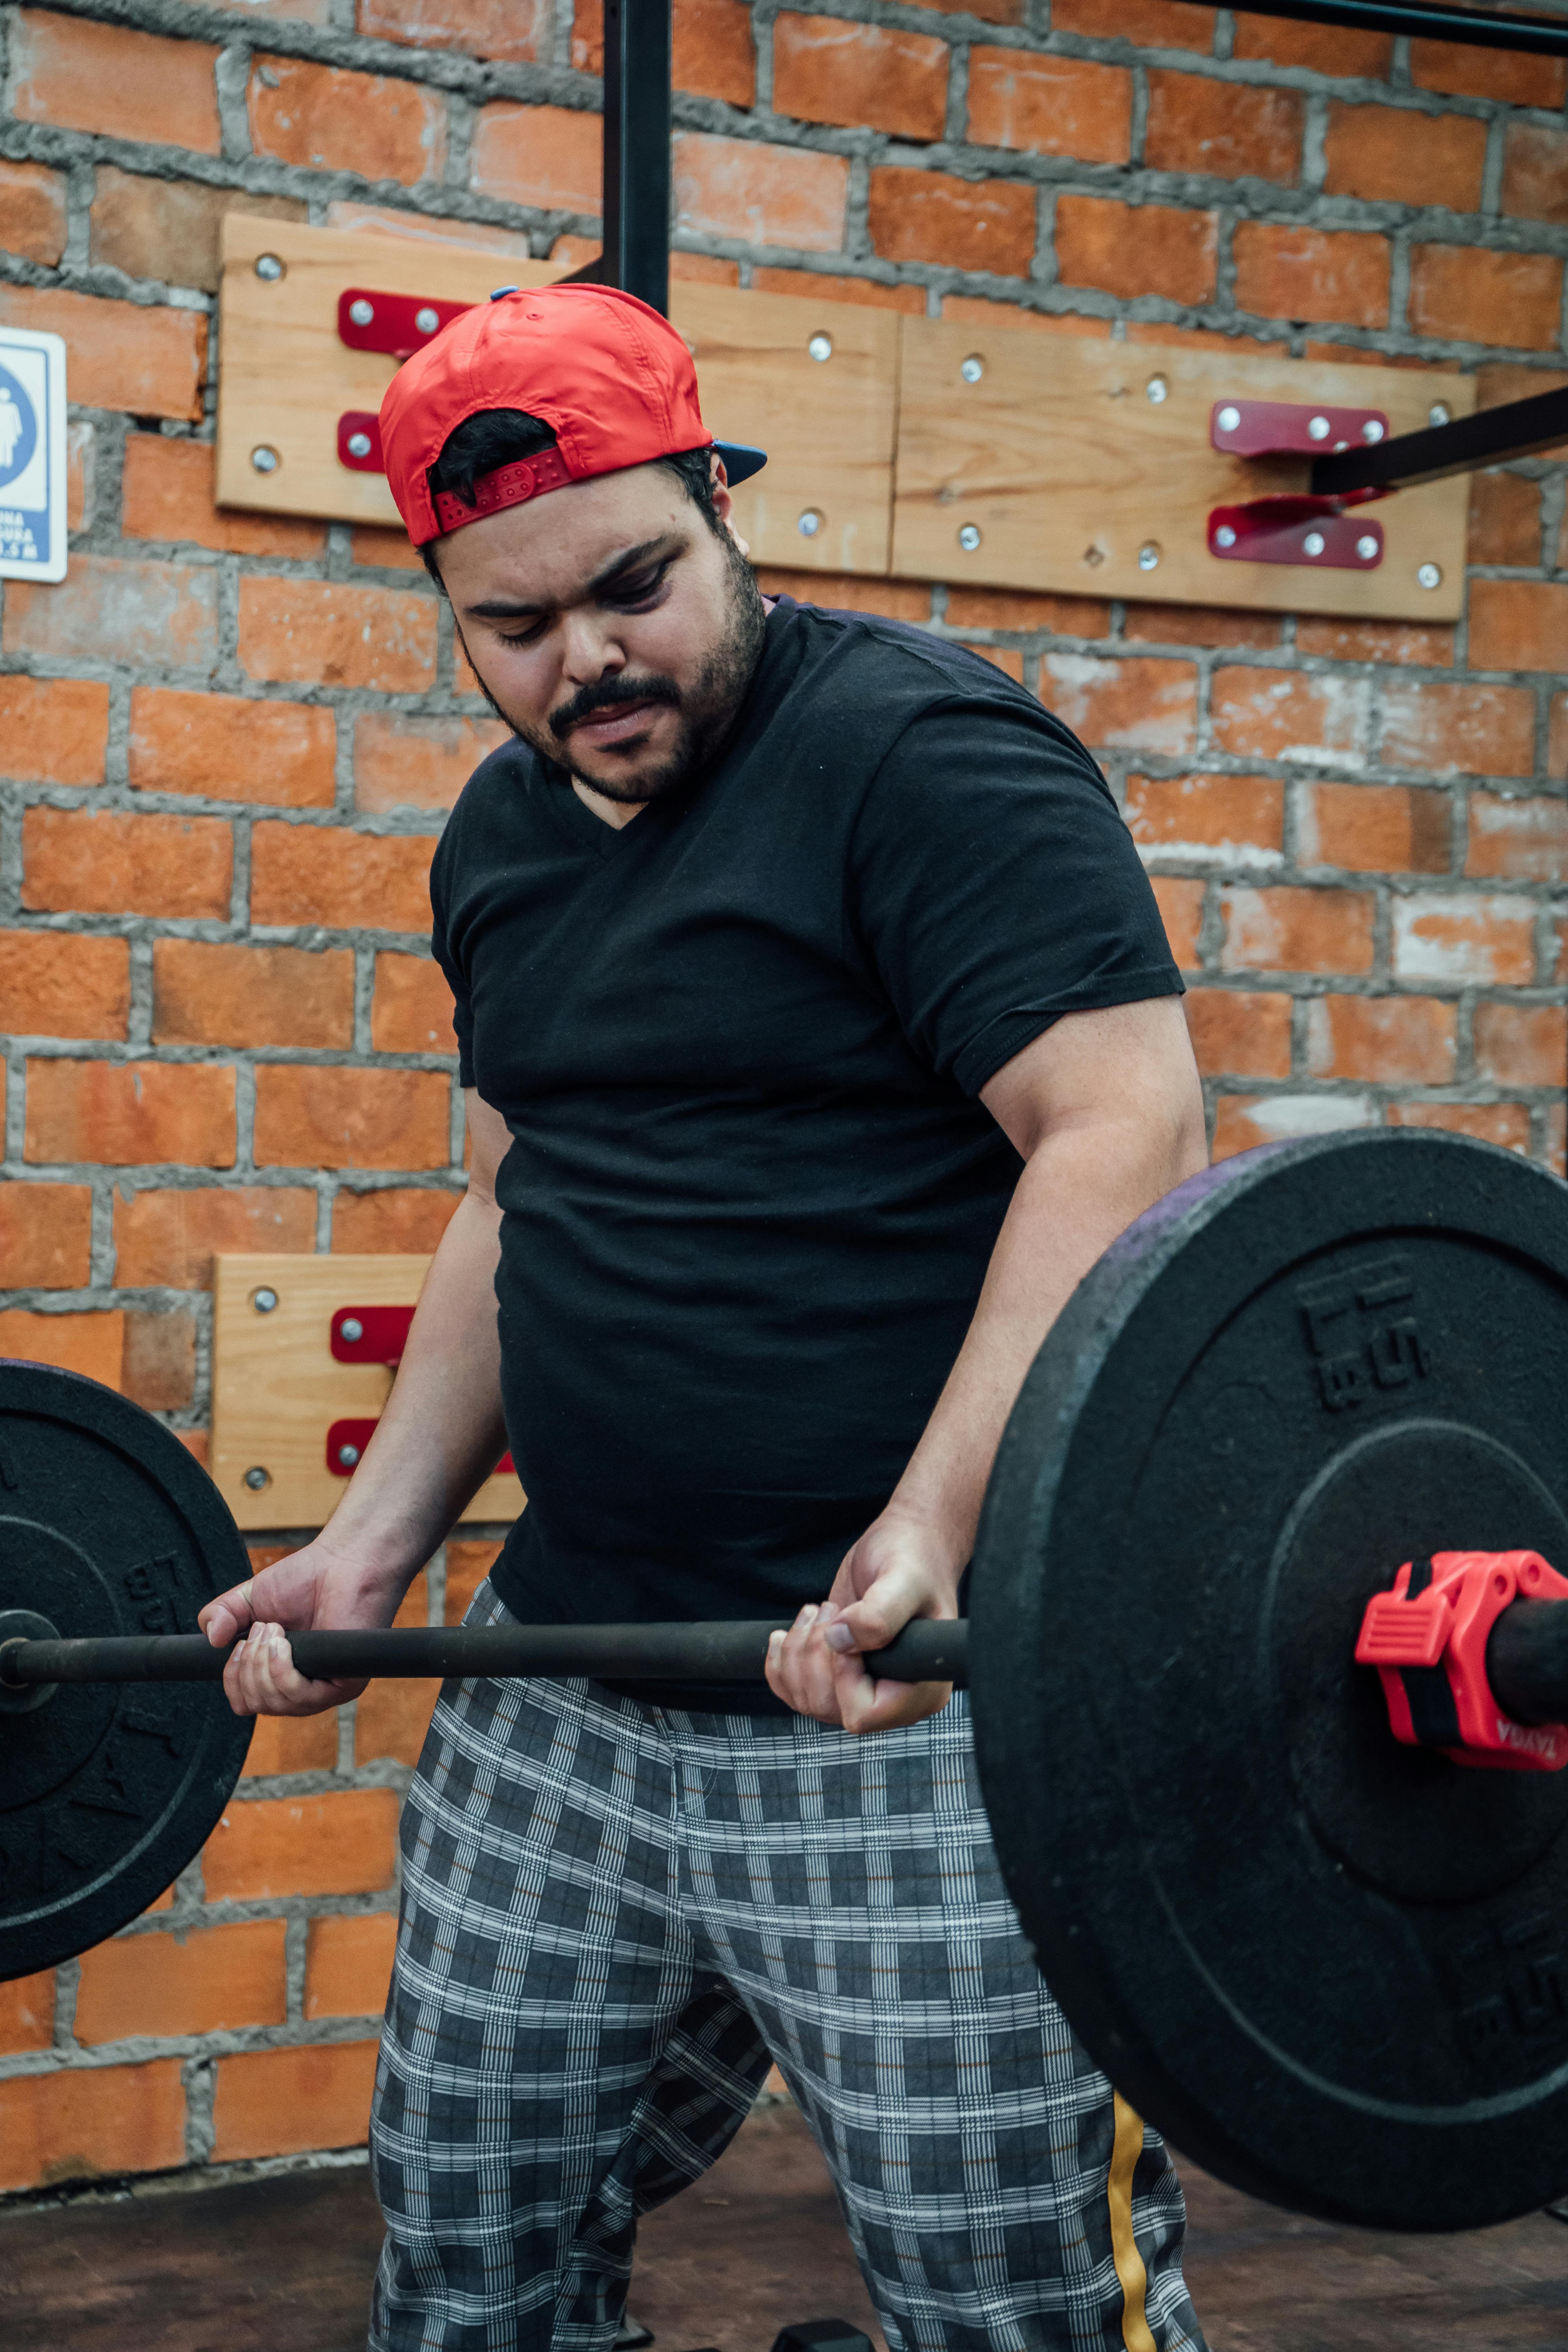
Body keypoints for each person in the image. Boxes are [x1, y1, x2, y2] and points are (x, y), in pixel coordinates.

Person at [200, 283, 1211, 2352]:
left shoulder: (920, 758)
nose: (587, 661)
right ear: (457, 616)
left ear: (725, 508)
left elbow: (1120, 1124)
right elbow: (513, 1194)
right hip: (567, 1680)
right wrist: (384, 1543)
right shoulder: (494, 845)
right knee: (467, 2254)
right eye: (516, 626)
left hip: (899, 1701)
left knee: (1014, 2306)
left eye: (634, 584)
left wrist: (932, 1533)